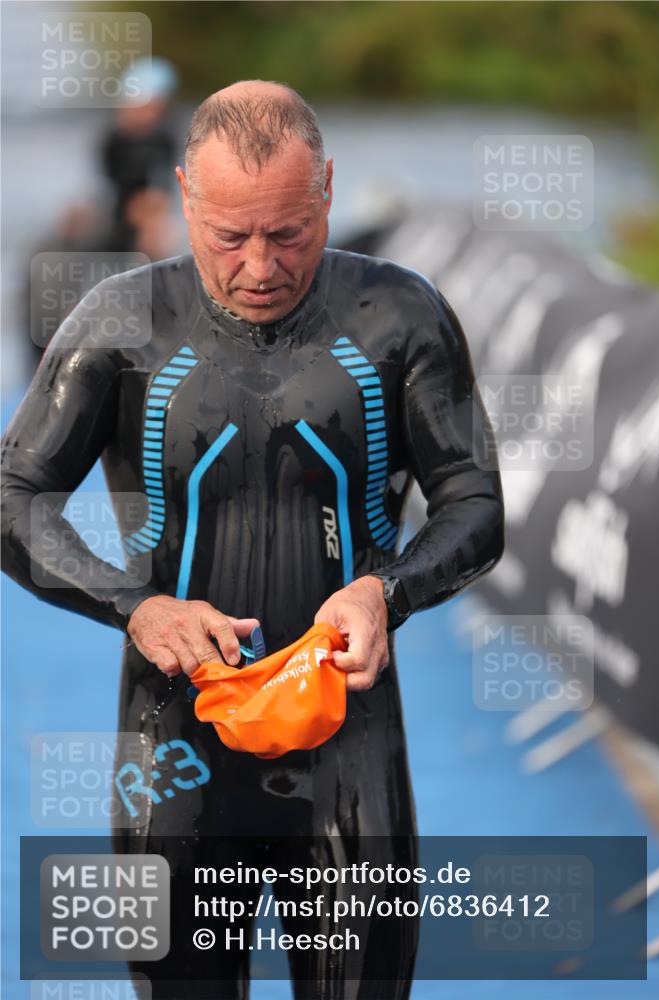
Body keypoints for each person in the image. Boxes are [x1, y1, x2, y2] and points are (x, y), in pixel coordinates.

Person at [1, 81, 503, 997]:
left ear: (327, 191)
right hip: (175, 743)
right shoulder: (121, 320)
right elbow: (13, 494)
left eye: (289, 233)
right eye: (230, 237)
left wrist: (384, 592)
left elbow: (474, 501)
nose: (260, 267)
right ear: (184, 192)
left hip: (346, 742)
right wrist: (137, 607)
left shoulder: (398, 316)